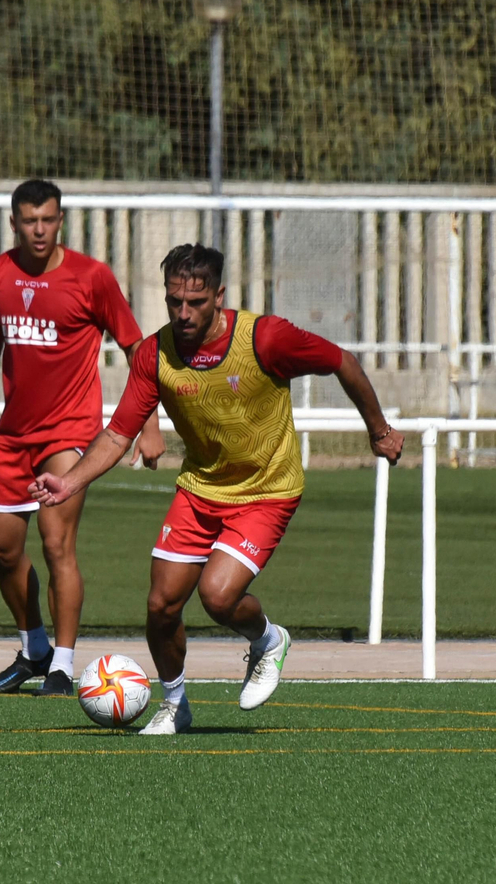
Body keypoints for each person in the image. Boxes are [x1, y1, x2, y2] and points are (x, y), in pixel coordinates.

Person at [30, 243, 404, 735]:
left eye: (196, 302)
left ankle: (268, 640)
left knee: (218, 596)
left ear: (219, 296)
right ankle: (175, 704)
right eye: (173, 302)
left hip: (267, 489)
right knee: (161, 605)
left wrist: (378, 430)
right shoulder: (154, 354)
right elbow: (119, 433)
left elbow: (342, 361)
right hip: (200, 489)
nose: (183, 313)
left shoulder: (266, 339)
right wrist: (70, 480)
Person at [0, 179, 163, 697]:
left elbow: (138, 349)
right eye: (29, 221)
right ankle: (35, 649)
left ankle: (63, 668)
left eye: (48, 219)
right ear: (14, 222)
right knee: (0, 550)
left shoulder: (92, 278)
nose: (39, 229)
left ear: (61, 219)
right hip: (13, 436)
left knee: (55, 542)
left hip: (70, 432)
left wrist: (149, 425)